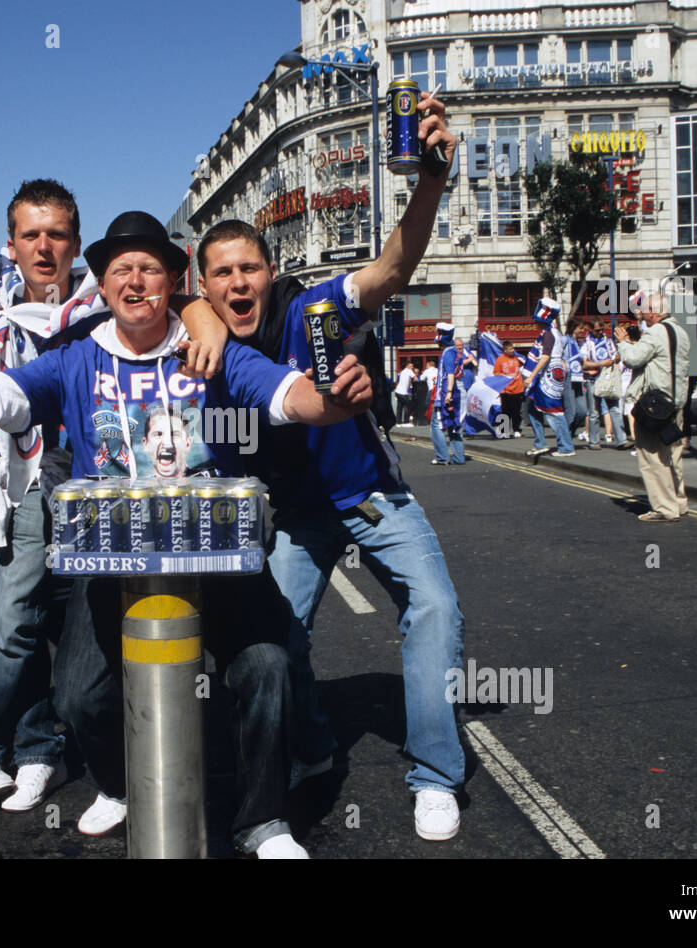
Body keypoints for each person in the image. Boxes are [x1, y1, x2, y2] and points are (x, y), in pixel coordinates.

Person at [0, 210, 371, 858]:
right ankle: (119, 783)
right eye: (120, 271)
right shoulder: (74, 360)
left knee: (268, 669)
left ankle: (262, 820)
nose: (135, 281)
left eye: (150, 269)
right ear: (103, 286)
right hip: (112, 567)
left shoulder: (210, 352)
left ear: (173, 282)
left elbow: (282, 394)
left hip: (216, 558)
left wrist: (330, 403)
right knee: (79, 699)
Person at [0, 119, 227, 810]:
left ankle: (50, 745)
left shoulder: (101, 296)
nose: (43, 246)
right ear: (11, 242)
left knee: (57, 619)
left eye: (57, 234)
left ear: (76, 243)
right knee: (13, 620)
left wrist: (207, 322)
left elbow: (177, 297)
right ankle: (18, 743)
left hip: (73, 470)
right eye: (30, 234)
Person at [186, 86, 467, 843]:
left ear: (272, 271)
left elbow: (389, 270)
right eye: (223, 274)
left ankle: (436, 774)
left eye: (250, 268)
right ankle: (310, 747)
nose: (239, 283)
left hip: (369, 493)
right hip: (293, 514)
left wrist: (433, 179)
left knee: (434, 609)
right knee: (279, 643)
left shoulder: (315, 308)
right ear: (203, 284)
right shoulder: (206, 348)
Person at [615, 293, 690, 522]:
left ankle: (664, 509)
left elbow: (633, 359)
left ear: (655, 313)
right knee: (673, 455)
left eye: (644, 312)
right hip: (676, 402)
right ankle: (679, 502)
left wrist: (623, 342)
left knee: (652, 457)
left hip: (655, 406)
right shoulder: (681, 332)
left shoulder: (656, 332)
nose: (642, 316)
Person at [524, 299, 575, 457]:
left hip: (549, 375)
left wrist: (531, 375)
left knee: (553, 412)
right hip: (550, 373)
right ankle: (540, 443)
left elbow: (545, 357)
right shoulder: (555, 333)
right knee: (532, 409)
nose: (535, 323)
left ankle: (566, 447)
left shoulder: (548, 334)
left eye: (536, 320)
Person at [582, 320, 623, 448]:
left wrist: (616, 358)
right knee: (594, 411)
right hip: (593, 380)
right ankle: (594, 442)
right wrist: (601, 364)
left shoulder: (608, 341)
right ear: (590, 330)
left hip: (608, 379)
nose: (601, 332)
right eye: (597, 330)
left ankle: (621, 440)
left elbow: (616, 355)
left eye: (602, 329)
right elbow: (584, 364)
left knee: (614, 409)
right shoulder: (585, 344)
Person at [430, 323, 466, 465]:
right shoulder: (456, 353)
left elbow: (450, 374)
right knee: (453, 425)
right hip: (454, 391)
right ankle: (459, 457)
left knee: (436, 424)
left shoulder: (447, 353)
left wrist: (448, 393)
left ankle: (442, 457)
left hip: (445, 392)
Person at [493, 340, 524, 437]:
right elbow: (496, 373)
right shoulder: (500, 360)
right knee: (505, 411)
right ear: (505, 350)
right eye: (510, 349)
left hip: (517, 388)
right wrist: (503, 375)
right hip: (506, 390)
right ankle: (503, 431)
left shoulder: (517, 359)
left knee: (516, 411)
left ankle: (517, 430)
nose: (512, 350)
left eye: (513, 348)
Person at [394, 360, 416, 426]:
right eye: (411, 366)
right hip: (403, 393)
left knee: (400, 406)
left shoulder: (403, 371)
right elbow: (416, 378)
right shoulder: (409, 371)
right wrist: (413, 382)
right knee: (409, 405)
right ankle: (406, 421)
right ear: (407, 366)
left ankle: (398, 421)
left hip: (398, 391)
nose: (412, 367)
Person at [419, 359, 438, 423]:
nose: (426, 366)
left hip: (431, 389)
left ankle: (429, 418)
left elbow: (421, 378)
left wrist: (422, 374)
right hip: (438, 389)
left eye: (427, 365)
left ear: (429, 365)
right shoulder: (437, 370)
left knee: (428, 403)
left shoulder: (427, 371)